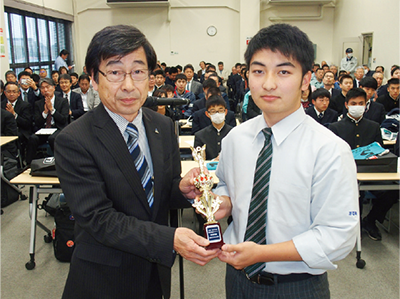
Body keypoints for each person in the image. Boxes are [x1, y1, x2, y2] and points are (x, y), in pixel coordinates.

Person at [54, 25, 218, 299]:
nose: (129, 85)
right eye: (116, 72)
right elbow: (99, 219)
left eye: (139, 72)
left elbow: (159, 191)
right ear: (94, 77)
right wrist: (170, 240)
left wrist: (182, 190)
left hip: (154, 274)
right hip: (103, 278)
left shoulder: (163, 125)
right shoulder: (74, 139)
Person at [214, 23, 358, 299]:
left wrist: (263, 253)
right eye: (258, 71)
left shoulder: (329, 149)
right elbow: (225, 184)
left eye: (283, 71)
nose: (268, 83)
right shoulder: (236, 138)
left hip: (296, 286)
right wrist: (224, 201)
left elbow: (338, 236)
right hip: (236, 279)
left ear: (306, 81)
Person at [26, 78, 69, 164]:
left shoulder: (63, 101)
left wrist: (52, 110)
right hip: (44, 130)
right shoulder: (38, 103)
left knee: (52, 138)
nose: (45, 90)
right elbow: (37, 122)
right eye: (42, 88)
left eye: (47, 87)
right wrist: (45, 112)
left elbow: (63, 120)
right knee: (32, 138)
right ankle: (29, 164)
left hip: (58, 128)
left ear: (53, 88)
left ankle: (60, 164)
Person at [0, 82, 33, 162]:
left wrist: (14, 114)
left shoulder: (25, 105)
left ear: (19, 93)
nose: (11, 94)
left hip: (21, 130)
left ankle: (17, 159)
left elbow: (27, 123)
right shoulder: (1, 105)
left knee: (17, 137)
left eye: (14, 92)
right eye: (9, 91)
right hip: (4, 131)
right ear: (5, 93)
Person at [194, 96, 232, 160]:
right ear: (207, 114)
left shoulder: (233, 133)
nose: (217, 114)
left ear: (225, 112)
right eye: (213, 111)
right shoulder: (200, 136)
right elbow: (197, 159)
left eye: (220, 110)